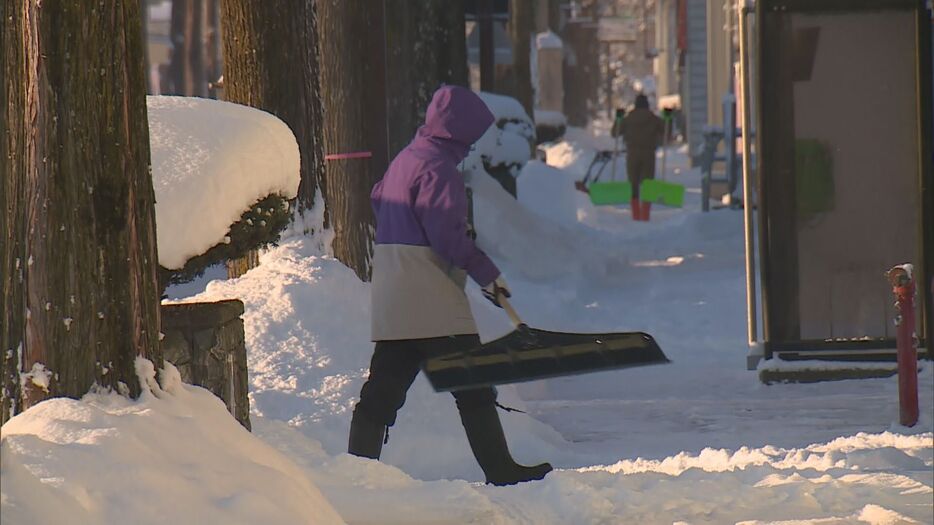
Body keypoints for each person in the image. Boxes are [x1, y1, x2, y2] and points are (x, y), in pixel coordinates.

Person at [347, 85, 553, 486]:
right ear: (460, 131)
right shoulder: (439, 170)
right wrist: (487, 274)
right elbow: (448, 240)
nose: (474, 144)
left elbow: (378, 199)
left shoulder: (406, 160)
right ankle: (501, 470)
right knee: (473, 386)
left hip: (394, 294)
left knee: (381, 394)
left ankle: (357, 474)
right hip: (433, 300)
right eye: (472, 135)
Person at [618, 94, 664, 221]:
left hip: (632, 153)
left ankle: (636, 215)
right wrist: (667, 118)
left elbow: (615, 132)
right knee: (647, 184)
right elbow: (666, 132)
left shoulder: (628, 119)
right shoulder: (653, 119)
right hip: (648, 154)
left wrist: (619, 118)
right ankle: (645, 214)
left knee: (633, 184)